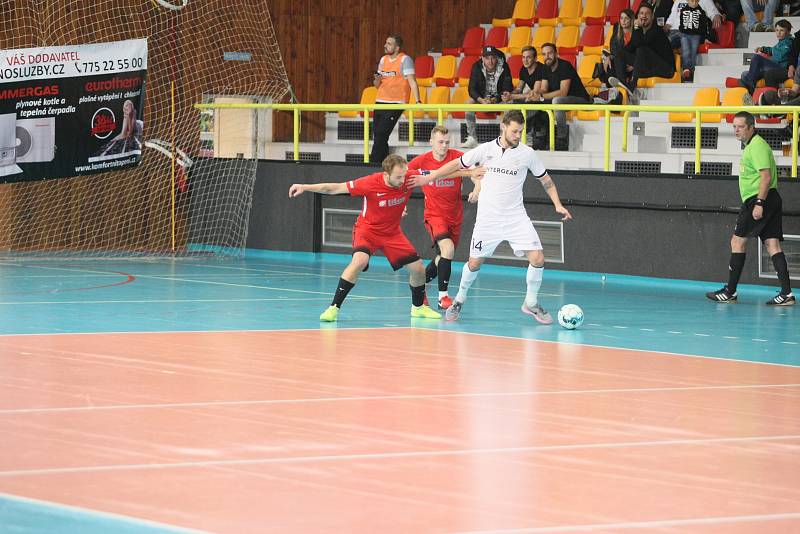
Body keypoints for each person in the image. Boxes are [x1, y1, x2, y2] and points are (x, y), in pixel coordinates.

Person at [409, 110, 573, 323]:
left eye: (521, 132)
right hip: (488, 220)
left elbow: (546, 180)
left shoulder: (527, 154)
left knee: (538, 258)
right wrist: (430, 176)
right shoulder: (485, 150)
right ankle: (459, 298)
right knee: (474, 263)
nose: (518, 135)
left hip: (516, 218)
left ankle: (530, 302)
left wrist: (558, 204)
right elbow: (456, 164)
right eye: (515, 131)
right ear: (503, 127)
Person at [288, 154, 442, 321]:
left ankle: (418, 308)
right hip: (367, 231)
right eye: (398, 177)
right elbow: (334, 188)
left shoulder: (409, 177)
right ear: (386, 174)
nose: (402, 180)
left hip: (392, 233)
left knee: (418, 269)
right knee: (359, 261)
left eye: (404, 175)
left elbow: (441, 172)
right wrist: (304, 186)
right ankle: (333, 308)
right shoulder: (370, 183)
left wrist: (470, 172)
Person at [706, 111, 795, 306]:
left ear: (751, 127)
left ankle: (730, 291)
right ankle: (787, 294)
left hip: (759, 199)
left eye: (740, 126)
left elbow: (766, 176)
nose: (736, 130)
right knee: (772, 244)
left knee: (737, 241)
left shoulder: (757, 146)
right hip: (769, 198)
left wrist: (759, 203)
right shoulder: (752, 146)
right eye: (734, 126)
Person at [407, 125, 482, 309]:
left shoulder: (457, 157)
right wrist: (402, 205)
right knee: (447, 249)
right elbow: (403, 180)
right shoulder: (421, 162)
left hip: (455, 216)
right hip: (434, 214)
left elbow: (476, 174)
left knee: (443, 257)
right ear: (431, 142)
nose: (444, 146)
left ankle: (419, 284)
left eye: (447, 142)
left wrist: (477, 188)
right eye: (440, 142)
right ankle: (443, 298)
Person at [370, 35, 421, 164]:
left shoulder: (405, 59)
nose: (385, 45)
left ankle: (372, 164)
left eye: (389, 43)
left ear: (397, 47)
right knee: (379, 136)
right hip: (380, 100)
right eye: (386, 43)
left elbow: (412, 81)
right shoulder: (383, 60)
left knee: (381, 133)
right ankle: (385, 165)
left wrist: (418, 100)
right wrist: (376, 79)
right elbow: (377, 85)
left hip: (396, 102)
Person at [609, 3, 676, 101]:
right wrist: (611, 56)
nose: (643, 16)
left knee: (641, 49)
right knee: (620, 53)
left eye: (647, 14)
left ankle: (632, 85)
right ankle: (623, 84)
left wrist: (636, 27)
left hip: (665, 69)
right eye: (641, 13)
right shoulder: (640, 30)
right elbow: (629, 48)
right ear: (638, 16)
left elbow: (641, 45)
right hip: (650, 67)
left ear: (652, 16)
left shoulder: (656, 30)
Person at [538, 43, 592, 147]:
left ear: (556, 54)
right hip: (563, 100)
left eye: (550, 53)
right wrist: (535, 94)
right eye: (544, 54)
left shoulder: (565, 66)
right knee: (535, 102)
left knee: (557, 101)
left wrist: (542, 97)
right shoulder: (545, 67)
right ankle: (540, 136)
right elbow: (544, 89)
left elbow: (563, 93)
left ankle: (562, 138)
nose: (547, 57)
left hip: (580, 99)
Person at [462, 45, 513, 149]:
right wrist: (481, 100)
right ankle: (472, 138)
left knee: (510, 104)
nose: (490, 61)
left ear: (496, 57)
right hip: (482, 98)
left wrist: (496, 98)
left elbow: (508, 86)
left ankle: (503, 138)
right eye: (487, 58)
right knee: (469, 103)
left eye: (493, 58)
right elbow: (471, 89)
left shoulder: (504, 66)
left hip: (498, 98)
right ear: (482, 58)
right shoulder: (476, 66)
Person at [501, 45, 548, 147]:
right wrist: (510, 94)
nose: (525, 60)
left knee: (529, 104)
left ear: (535, 58)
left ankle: (527, 138)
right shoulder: (523, 69)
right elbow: (519, 89)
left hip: (544, 99)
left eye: (528, 57)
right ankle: (507, 136)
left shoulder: (541, 69)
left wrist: (513, 97)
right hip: (531, 98)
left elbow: (534, 94)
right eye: (523, 57)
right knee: (510, 104)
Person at [736, 20, 793, 93]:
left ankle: (750, 85)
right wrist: (763, 49)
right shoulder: (780, 42)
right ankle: (750, 92)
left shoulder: (789, 42)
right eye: (777, 30)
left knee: (757, 57)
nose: (778, 33)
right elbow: (772, 49)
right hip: (773, 67)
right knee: (744, 74)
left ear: (788, 32)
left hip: (780, 69)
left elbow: (780, 56)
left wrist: (768, 58)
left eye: (781, 30)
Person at [670, 0, 714, 81]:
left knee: (693, 52)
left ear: (698, 1)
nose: (694, 3)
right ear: (687, 1)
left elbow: (704, 26)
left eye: (696, 1)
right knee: (686, 50)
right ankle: (686, 69)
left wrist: (704, 38)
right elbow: (682, 23)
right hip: (685, 34)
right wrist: (682, 31)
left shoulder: (701, 12)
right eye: (691, 1)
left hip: (696, 35)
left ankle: (691, 71)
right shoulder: (683, 10)